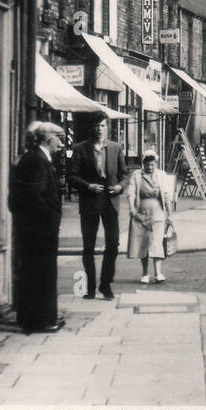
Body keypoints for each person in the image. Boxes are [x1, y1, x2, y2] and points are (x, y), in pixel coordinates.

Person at [9, 121, 65, 333]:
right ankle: (41, 320)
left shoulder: (36, 158)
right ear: (49, 139)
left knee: (35, 273)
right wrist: (49, 222)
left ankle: (35, 317)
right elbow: (35, 196)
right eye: (59, 138)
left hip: (36, 229)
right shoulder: (37, 160)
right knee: (42, 275)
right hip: (40, 231)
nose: (61, 143)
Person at [69, 114, 128, 300]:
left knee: (113, 245)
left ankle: (105, 284)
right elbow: (71, 177)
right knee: (88, 247)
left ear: (107, 127)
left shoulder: (115, 147)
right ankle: (90, 287)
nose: (99, 129)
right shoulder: (80, 148)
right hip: (89, 203)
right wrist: (88, 186)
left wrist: (120, 187)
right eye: (96, 125)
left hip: (110, 202)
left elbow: (125, 175)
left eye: (102, 125)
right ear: (91, 128)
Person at [127, 150, 174, 284]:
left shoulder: (161, 175)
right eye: (147, 164)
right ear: (143, 164)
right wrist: (132, 210)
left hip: (158, 214)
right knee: (144, 244)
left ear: (156, 164)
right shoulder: (136, 175)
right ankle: (145, 273)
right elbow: (131, 193)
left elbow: (166, 194)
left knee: (157, 243)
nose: (150, 167)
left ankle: (158, 273)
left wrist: (169, 213)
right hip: (141, 213)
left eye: (152, 164)